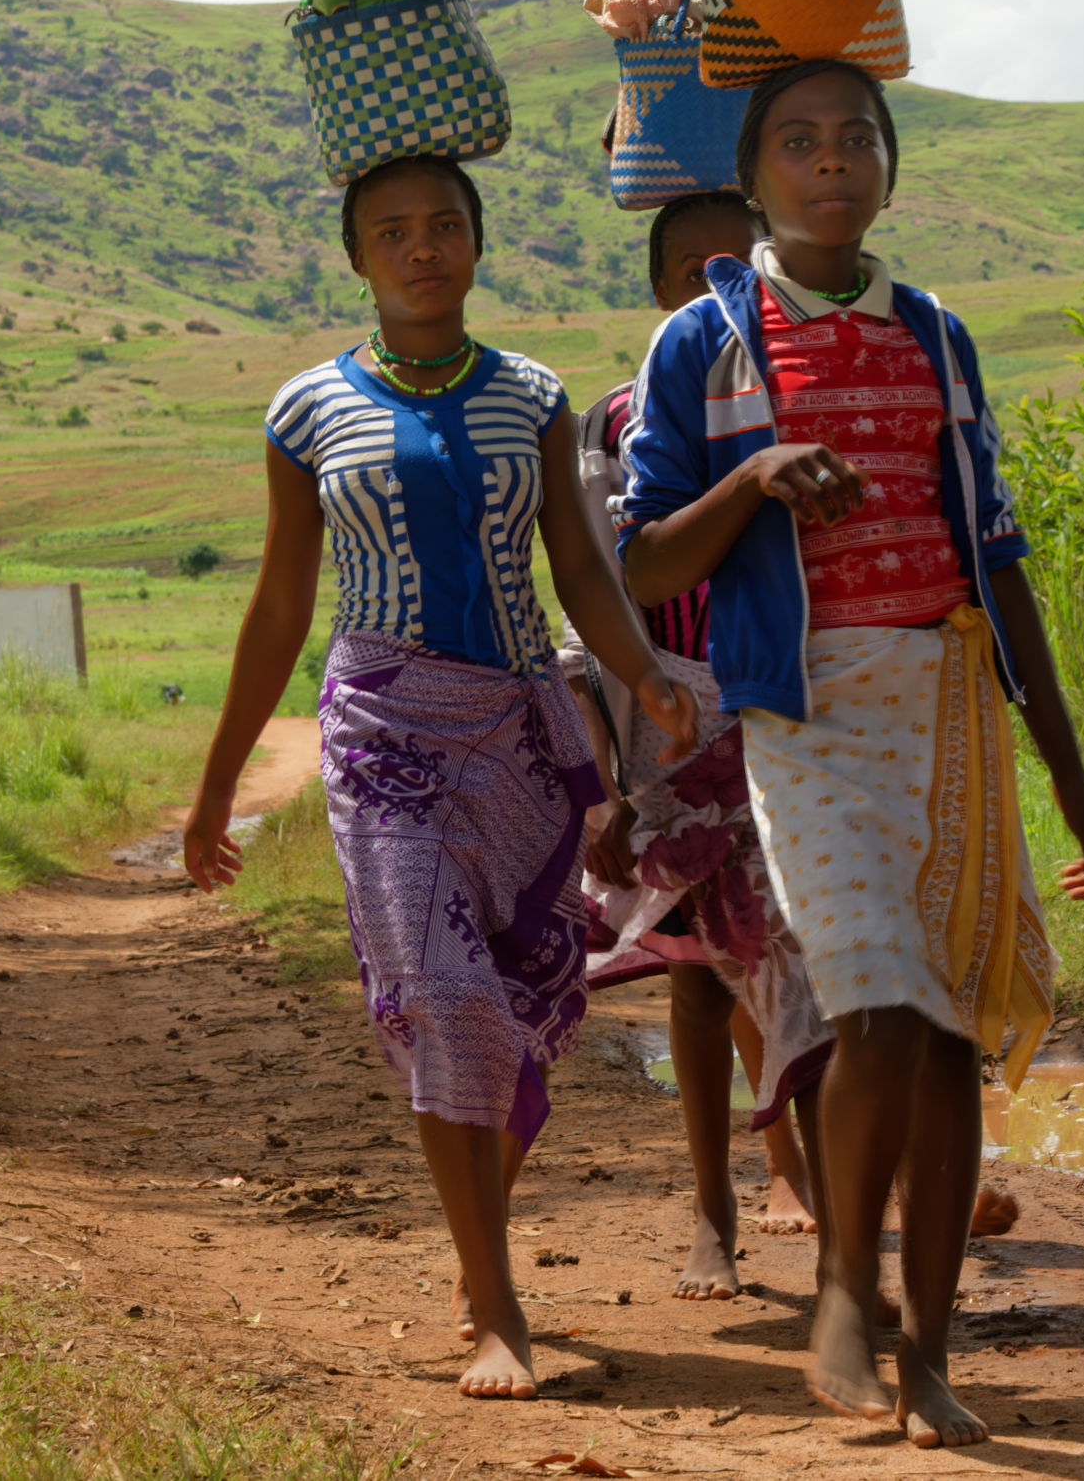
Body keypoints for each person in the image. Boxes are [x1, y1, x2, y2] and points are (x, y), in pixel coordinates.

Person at [616, 61, 1084, 1449]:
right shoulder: (704, 347)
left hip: (949, 701)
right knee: (883, 1008)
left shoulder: (939, 338)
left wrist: (1073, 784)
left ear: (889, 164)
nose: (829, 161)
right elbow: (643, 554)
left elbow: (999, 561)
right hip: (804, 712)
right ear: (754, 173)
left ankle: (931, 1355)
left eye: (856, 138)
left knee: (948, 1036)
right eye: (798, 141)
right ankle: (845, 1272)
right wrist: (756, 476)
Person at [180, 153, 697, 1404]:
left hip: (519, 729)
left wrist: (648, 677)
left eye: (445, 226)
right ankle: (497, 1302)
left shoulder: (533, 396)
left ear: (478, 241)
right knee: (444, 997)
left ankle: (476, 1251)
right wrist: (214, 788)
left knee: (517, 999)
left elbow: (579, 568)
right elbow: (280, 604)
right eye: (394, 233)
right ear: (358, 257)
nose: (423, 249)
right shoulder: (307, 409)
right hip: (381, 736)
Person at [562, 190, 833, 1299]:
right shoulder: (614, 420)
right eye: (690, 272)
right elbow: (593, 595)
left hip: (797, 715)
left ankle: (820, 1188)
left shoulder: (816, 393)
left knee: (818, 959)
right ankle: (714, 1212)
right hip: (675, 725)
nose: (716, 290)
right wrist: (609, 781)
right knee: (701, 985)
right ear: (662, 292)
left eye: (739, 264)